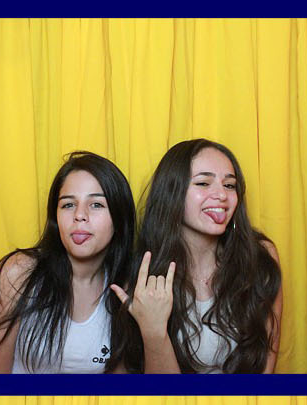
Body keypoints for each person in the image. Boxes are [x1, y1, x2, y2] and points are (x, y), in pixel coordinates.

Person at [113, 140, 282, 374]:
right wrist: (154, 331)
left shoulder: (260, 257)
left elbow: (265, 372)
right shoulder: (142, 275)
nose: (222, 195)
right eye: (203, 183)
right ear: (172, 193)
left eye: (230, 185)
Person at [0, 151, 136, 375]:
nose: (79, 215)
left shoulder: (127, 288)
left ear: (119, 217)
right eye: (68, 205)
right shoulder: (18, 273)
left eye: (96, 204)